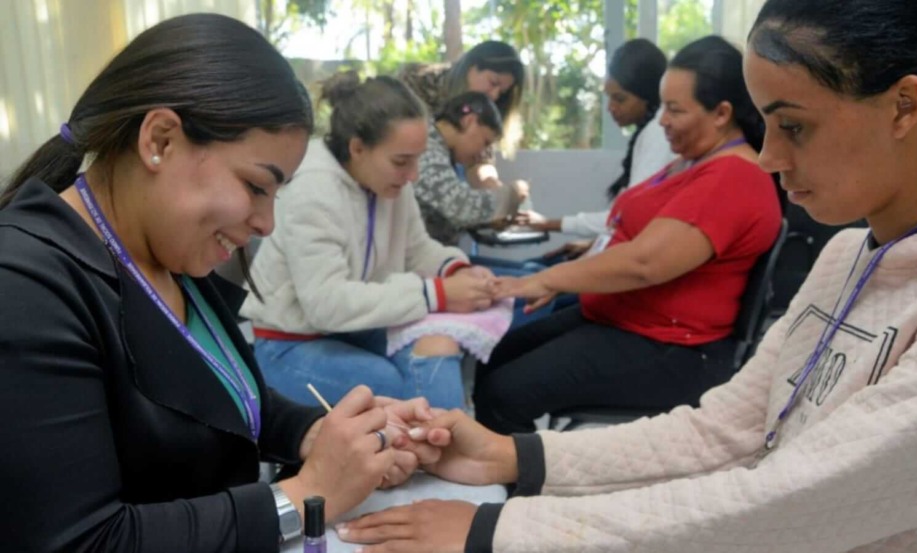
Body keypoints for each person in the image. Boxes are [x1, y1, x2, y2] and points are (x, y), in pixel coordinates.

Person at [334, 0, 917, 550]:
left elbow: (788, 503)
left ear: (904, 106)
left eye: (792, 125)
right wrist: (512, 457)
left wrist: (500, 528)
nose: (770, 157)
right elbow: (726, 430)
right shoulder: (846, 256)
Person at [0, 14, 444, 553]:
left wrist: (324, 437)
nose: (266, 223)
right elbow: (84, 542)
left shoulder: (168, 253)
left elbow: (222, 397)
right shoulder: (24, 286)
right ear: (159, 140)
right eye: (257, 187)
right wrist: (307, 493)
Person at [470, 36, 782, 435]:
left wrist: (542, 280)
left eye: (674, 109)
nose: (662, 120)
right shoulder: (696, 162)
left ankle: (517, 488)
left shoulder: (733, 177)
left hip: (673, 349)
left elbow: (643, 263)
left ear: (721, 113)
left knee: (503, 392)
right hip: (626, 319)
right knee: (494, 353)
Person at [240, 73, 496, 410]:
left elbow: (417, 249)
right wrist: (438, 294)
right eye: (402, 161)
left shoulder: (390, 184)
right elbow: (326, 305)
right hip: (289, 345)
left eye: (418, 159)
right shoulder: (313, 189)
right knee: (401, 388)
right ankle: (446, 454)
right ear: (357, 148)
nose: (414, 175)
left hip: (355, 329)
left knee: (438, 351)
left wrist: (456, 271)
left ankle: (448, 453)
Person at [517, 38, 674, 255]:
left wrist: (550, 223)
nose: (611, 108)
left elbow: (629, 217)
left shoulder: (659, 133)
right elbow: (623, 221)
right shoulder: (649, 132)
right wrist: (592, 245)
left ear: (647, 94)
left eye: (620, 99)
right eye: (609, 97)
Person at [398, 40, 526, 191]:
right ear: (471, 67)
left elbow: (480, 163)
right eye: (493, 82)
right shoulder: (416, 83)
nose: (494, 95)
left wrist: (496, 189)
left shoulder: (483, 111)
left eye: (502, 93)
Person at [414, 91, 527, 246]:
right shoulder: (427, 148)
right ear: (469, 121)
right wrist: (511, 194)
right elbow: (459, 207)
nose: (482, 153)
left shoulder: (442, 150)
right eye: (485, 142)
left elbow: (441, 214)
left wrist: (486, 222)